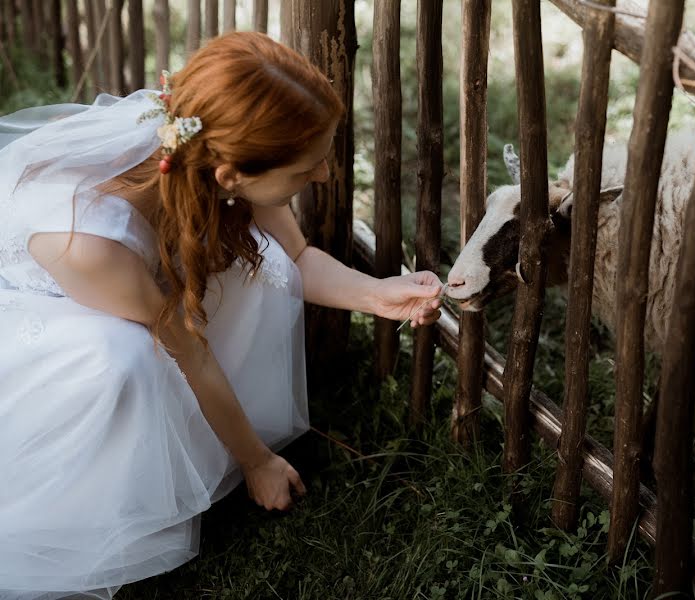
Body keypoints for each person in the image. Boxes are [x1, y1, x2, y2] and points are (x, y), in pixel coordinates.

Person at [0, 32, 443, 600]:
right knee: (121, 359)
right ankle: (98, 487)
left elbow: (299, 257)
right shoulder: (86, 241)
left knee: (269, 269)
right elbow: (189, 350)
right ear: (230, 177)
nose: (325, 177)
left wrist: (379, 293)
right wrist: (257, 461)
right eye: (308, 167)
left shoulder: (212, 136)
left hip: (129, 290)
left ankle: (196, 436)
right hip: (44, 312)